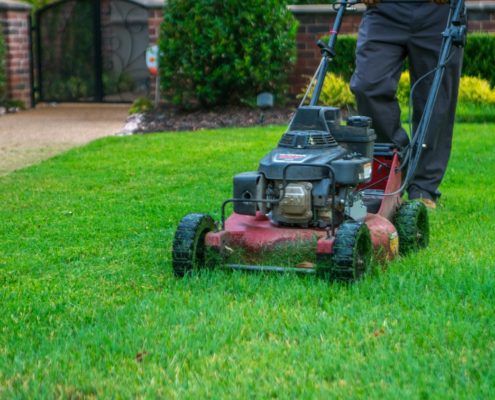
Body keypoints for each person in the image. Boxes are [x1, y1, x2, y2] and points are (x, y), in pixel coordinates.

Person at [350, 0, 464, 208]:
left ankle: (423, 187)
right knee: (367, 85)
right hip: (384, 9)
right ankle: (397, 160)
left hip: (437, 10)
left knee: (435, 97)